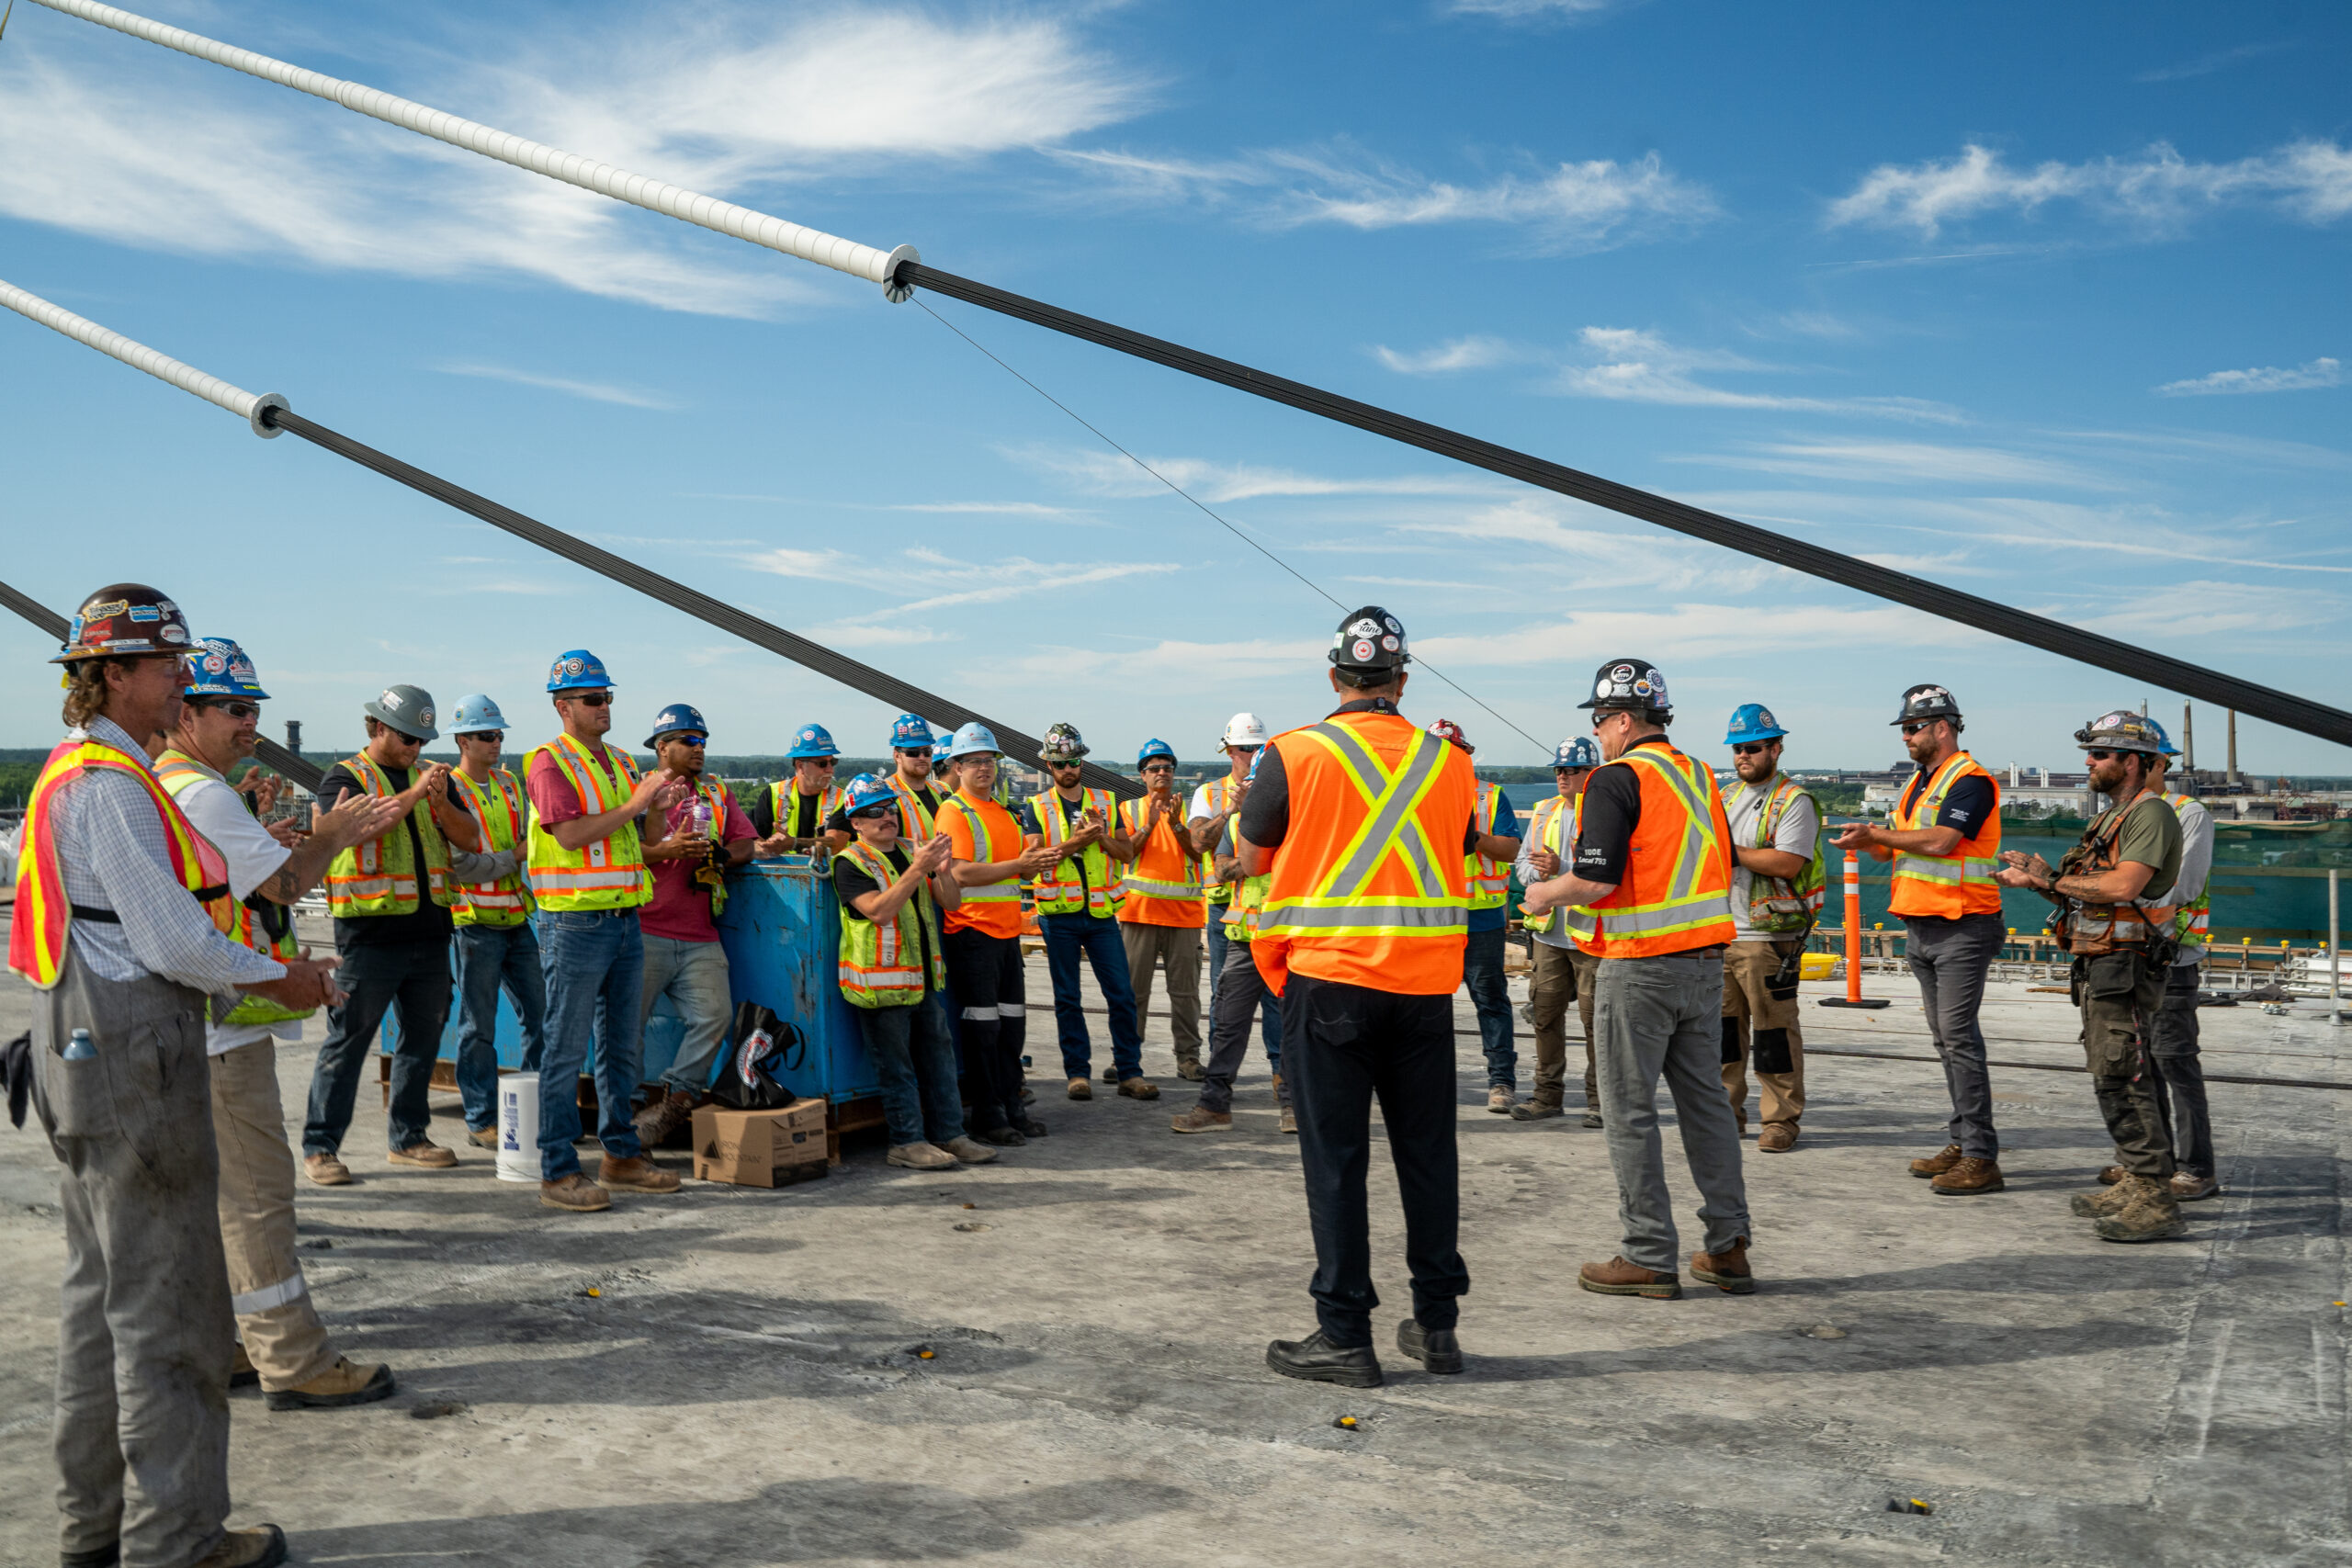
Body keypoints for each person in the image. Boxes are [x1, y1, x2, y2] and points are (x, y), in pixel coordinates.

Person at [13, 584, 340, 1568]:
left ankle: (96, 1532)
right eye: (167, 667)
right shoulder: (110, 784)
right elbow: (173, 940)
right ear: (113, 676)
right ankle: (177, 1539)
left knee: (97, 1303)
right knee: (172, 1304)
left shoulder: (78, 770)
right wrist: (287, 977)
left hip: (77, 1042)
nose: (182, 682)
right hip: (130, 1052)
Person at [156, 638, 403, 1414]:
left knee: (207, 1202)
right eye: (234, 708)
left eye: (254, 709)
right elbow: (286, 882)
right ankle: (293, 1359)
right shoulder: (202, 794)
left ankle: (219, 1338)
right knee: (258, 1199)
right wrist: (332, 834)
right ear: (185, 711)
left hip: (188, 1027)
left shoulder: (165, 783)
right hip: (220, 1034)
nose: (249, 726)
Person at [1240, 606, 1477, 1387]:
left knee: (1336, 1162)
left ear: (1334, 676)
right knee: (1428, 1155)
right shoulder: (1452, 764)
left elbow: (1250, 855)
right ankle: (1437, 1326)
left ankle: (1345, 1332)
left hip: (1331, 983)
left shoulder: (1292, 753)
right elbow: (1456, 848)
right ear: (1402, 682)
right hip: (1422, 990)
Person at [1523, 659, 1751, 1302]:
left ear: (1623, 719)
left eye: (1599, 722)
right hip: (1706, 965)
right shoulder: (1702, 776)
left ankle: (1648, 1254)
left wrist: (1545, 893)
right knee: (1707, 1104)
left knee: (1628, 1112)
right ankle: (1729, 1247)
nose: (1596, 736)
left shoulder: (1616, 779)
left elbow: (1595, 880)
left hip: (1640, 968)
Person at [1996, 711, 2188, 1243]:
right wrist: (2039, 882)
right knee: (2111, 1071)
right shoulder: (2113, 818)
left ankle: (2154, 1194)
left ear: (2132, 762)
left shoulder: (2151, 814)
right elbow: (2083, 889)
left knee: (2124, 1071)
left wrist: (2052, 878)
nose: (2089, 762)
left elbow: (2123, 885)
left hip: (2124, 963)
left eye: (2101, 755)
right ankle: (2136, 1175)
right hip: (2102, 959)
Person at [524, 649, 687, 1212]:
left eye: (608, 697)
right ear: (563, 706)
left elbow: (637, 838)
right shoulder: (547, 763)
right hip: (574, 923)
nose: (605, 707)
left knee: (622, 1048)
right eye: (594, 699)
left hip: (623, 919)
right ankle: (558, 1171)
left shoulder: (617, 762)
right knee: (565, 1050)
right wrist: (637, 802)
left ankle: (620, 1156)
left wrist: (657, 808)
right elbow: (570, 836)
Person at [301, 683, 484, 1184]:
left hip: (429, 934)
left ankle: (408, 1137)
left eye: (422, 740)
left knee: (422, 1040)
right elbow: (364, 828)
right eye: (407, 737)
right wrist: (416, 791)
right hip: (370, 936)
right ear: (378, 727)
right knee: (349, 1041)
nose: (415, 748)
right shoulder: (345, 777)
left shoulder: (434, 782)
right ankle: (321, 1147)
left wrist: (442, 804)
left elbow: (470, 837)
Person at [1832, 684, 2007, 1195]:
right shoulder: (1919, 783)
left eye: (1913, 728)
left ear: (1943, 727)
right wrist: (1868, 838)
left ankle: (1980, 1155)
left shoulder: (1970, 782)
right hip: (1922, 925)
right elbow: (1904, 846)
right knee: (1945, 1040)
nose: (1906, 736)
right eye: (1905, 729)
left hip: (1962, 926)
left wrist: (1878, 838)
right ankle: (1963, 1139)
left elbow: (1943, 842)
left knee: (1959, 1038)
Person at [832, 772, 1003, 1169]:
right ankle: (907, 1141)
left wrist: (941, 869)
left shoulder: (912, 852)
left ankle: (950, 1134)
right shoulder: (851, 862)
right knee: (897, 1067)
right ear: (855, 823)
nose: (886, 816)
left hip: (922, 980)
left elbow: (952, 903)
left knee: (939, 1059)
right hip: (880, 986)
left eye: (890, 809)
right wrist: (918, 868)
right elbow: (878, 911)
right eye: (873, 812)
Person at [631, 703, 782, 1145]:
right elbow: (626, 852)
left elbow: (747, 844)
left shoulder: (716, 792)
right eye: (689, 741)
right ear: (662, 747)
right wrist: (669, 848)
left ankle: (676, 1102)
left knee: (714, 1017)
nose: (699, 750)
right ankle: (624, 1114)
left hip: (699, 932)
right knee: (627, 1029)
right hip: (645, 928)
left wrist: (721, 855)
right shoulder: (637, 791)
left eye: (703, 742)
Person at [938, 723, 1062, 1145]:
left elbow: (1013, 870)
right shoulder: (955, 812)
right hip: (973, 935)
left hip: (1006, 936)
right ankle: (989, 1117)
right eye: (974, 762)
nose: (984, 769)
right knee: (983, 1031)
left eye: (989, 761)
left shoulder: (1004, 814)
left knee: (1012, 1029)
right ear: (956, 767)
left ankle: (1011, 1107)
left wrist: (1035, 862)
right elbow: (959, 872)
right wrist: (1020, 867)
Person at [1022, 722, 1155, 1100]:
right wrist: (1074, 842)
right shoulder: (1035, 807)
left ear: (1083, 762)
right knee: (1068, 998)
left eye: (1074, 762)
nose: (1069, 769)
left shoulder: (1106, 802)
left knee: (1121, 995)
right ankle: (1077, 1074)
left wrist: (1102, 837)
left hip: (1100, 916)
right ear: (1049, 766)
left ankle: (1130, 1072)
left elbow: (1127, 853)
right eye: (1061, 764)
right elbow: (1031, 862)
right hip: (1059, 915)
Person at [1717, 704, 1825, 1153]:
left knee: (1773, 1034)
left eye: (1753, 748)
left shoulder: (1794, 801)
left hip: (1767, 938)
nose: (1744, 756)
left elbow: (1787, 862)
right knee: (1722, 1036)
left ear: (1776, 748)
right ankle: (1727, 1114)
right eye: (1738, 749)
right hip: (1721, 934)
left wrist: (1731, 851)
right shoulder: (1722, 798)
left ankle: (1780, 1120)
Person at [444, 692, 548, 1152]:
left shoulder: (509, 783)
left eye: (499, 734)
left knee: (543, 1015)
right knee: (478, 1026)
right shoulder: (449, 790)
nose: (496, 743)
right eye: (487, 735)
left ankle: (535, 1105)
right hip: (474, 922)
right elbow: (462, 865)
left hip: (516, 916)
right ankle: (481, 1117)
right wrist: (514, 858)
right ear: (464, 740)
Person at [1170, 747, 1292, 1135]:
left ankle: (1292, 1106)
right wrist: (1260, 860)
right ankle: (1214, 1105)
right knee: (1228, 1023)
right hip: (1243, 938)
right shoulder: (1238, 822)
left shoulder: (1299, 821)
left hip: (1286, 937)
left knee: (1291, 1023)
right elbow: (1220, 869)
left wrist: (1254, 863)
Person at [2137, 723, 2220, 1201]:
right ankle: (2154, 1161)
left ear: (2160, 763)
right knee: (2138, 1065)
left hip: (2171, 956)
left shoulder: (2189, 815)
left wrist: (2118, 891)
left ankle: (2196, 1167)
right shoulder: (2124, 814)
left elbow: (2180, 887)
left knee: (2175, 1062)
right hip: (2128, 956)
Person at [1428, 720, 1523, 1112]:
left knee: (1490, 1001)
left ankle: (1501, 1081)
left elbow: (1511, 850)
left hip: (1480, 920)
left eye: (1454, 752)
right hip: (1432, 920)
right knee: (1427, 1007)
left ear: (1465, 755)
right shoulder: (1416, 793)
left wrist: (1476, 839)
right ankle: (1428, 1082)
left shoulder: (1489, 797)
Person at [1510, 737, 1603, 1125]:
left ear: (1591, 773)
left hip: (1589, 935)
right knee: (1545, 1016)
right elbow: (1522, 863)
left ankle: (1600, 1102)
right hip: (1549, 934)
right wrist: (1539, 873)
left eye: (1571, 769)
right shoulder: (1545, 811)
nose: (1563, 776)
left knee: (1596, 1022)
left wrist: (1560, 866)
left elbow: (1606, 870)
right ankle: (1547, 1096)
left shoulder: (1602, 812)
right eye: (1559, 769)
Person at [1118, 739, 1208, 1084]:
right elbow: (1126, 853)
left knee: (1185, 996)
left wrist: (1175, 825)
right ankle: (1128, 1061)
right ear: (1142, 775)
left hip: (1184, 917)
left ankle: (1188, 1058)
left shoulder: (1188, 811)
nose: (1162, 774)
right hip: (1139, 914)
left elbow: (1200, 854)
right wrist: (1151, 823)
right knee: (1133, 994)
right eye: (1154, 769)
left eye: (1167, 769)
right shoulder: (1129, 810)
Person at [1188, 712, 1273, 1077]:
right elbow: (1198, 842)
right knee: (1225, 998)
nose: (1251, 754)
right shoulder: (1208, 793)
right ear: (1228, 751)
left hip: (1269, 910)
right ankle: (1220, 1076)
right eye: (1244, 748)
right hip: (1226, 909)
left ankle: (1279, 1075)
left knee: (1277, 997)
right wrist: (1231, 810)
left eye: (1257, 748)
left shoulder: (1276, 791)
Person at [754, 722, 850, 854]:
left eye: (832, 762)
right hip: (780, 873)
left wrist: (792, 843)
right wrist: (767, 846)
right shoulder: (773, 794)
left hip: (828, 874)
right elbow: (753, 837)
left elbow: (836, 842)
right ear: (800, 766)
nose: (830, 770)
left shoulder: (843, 799)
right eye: (822, 764)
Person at [883, 712, 948, 838]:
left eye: (927, 752)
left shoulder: (943, 790)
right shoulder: (885, 795)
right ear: (897, 756)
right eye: (913, 752)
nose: (922, 757)